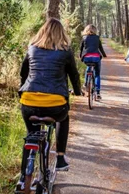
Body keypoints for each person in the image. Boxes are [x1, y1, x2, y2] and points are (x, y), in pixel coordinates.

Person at [17, 18, 82, 191]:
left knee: (32, 134)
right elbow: (74, 76)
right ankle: (60, 157)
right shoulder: (65, 51)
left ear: (42, 31)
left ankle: (24, 177)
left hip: (28, 101)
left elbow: (23, 73)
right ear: (61, 34)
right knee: (64, 118)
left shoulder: (31, 48)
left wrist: (22, 89)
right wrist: (77, 91)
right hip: (55, 104)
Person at [80, 24, 107, 100]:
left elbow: (81, 48)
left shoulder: (84, 38)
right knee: (97, 74)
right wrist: (104, 55)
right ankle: (98, 92)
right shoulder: (97, 38)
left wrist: (80, 56)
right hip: (96, 58)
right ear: (95, 30)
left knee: (88, 67)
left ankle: (86, 84)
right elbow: (100, 48)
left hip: (87, 58)